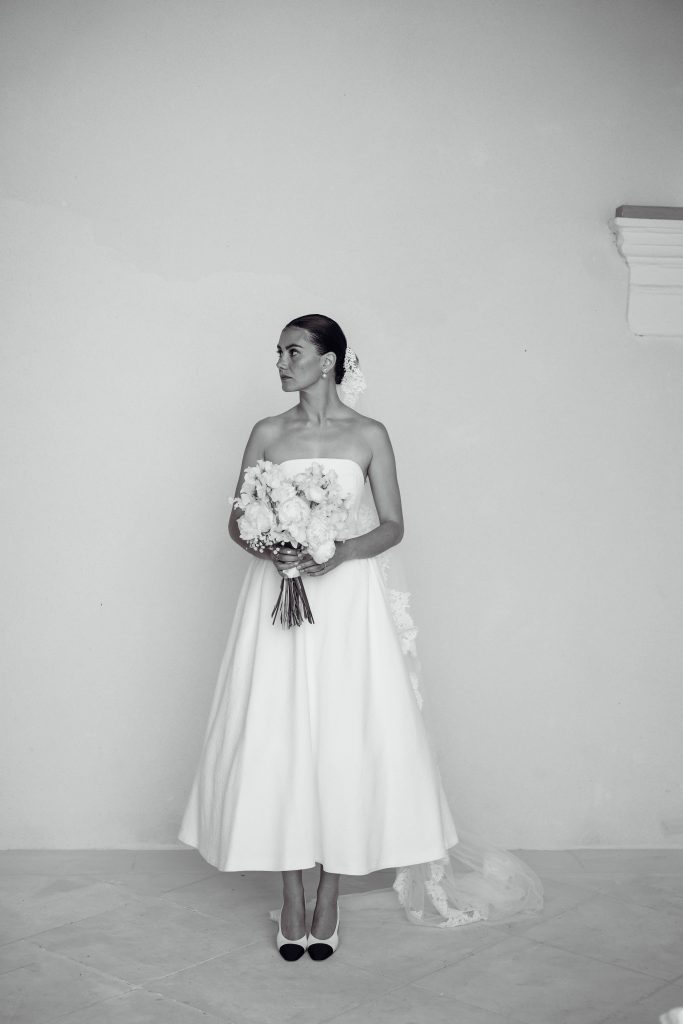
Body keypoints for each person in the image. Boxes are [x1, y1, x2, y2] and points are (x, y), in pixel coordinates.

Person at [178, 314, 542, 962]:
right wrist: (273, 547)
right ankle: (291, 897)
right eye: (278, 352)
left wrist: (337, 550)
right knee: (280, 734)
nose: (280, 361)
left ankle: (330, 896)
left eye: (292, 351)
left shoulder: (369, 434)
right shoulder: (266, 432)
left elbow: (393, 524)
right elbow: (236, 521)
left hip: (346, 601)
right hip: (277, 596)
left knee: (342, 735)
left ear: (328, 361)